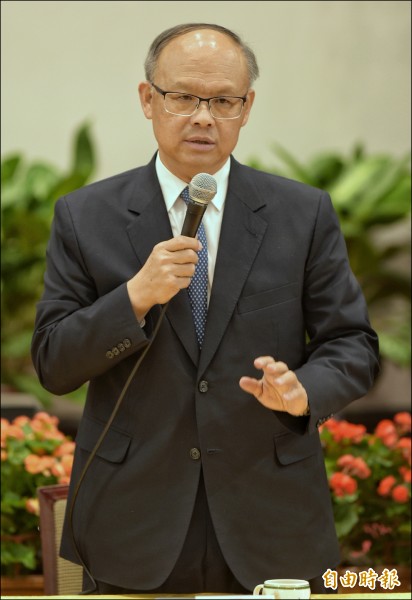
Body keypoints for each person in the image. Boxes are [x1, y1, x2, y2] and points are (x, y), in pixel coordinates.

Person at [31, 22, 379, 595]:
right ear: (148, 99)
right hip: (132, 522)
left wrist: (303, 391)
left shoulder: (302, 213)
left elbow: (354, 345)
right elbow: (53, 362)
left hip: (270, 518)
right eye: (183, 97)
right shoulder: (85, 216)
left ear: (247, 108)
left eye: (223, 101)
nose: (203, 117)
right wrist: (134, 297)